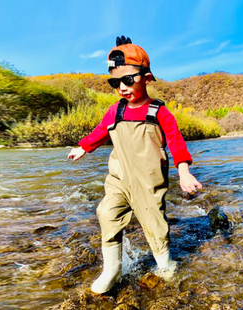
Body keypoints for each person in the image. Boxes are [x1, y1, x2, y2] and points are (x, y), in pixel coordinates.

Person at [68, 35, 202, 294]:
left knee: (154, 224)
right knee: (107, 213)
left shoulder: (159, 112)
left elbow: (176, 144)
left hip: (149, 183)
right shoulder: (115, 111)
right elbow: (99, 132)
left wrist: (184, 172)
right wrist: (83, 146)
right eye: (115, 82)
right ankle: (112, 269)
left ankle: (165, 264)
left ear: (147, 78)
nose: (122, 87)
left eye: (128, 80)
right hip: (118, 178)